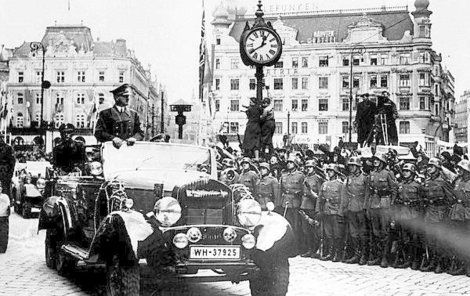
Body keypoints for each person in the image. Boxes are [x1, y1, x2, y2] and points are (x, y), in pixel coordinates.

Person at [420, 158, 456, 273]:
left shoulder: (443, 182)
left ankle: (441, 263)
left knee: (440, 240)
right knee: (430, 239)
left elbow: (451, 199)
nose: (429, 168)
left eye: (432, 166)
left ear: (437, 168)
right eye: (428, 166)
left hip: (441, 213)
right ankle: (432, 262)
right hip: (429, 213)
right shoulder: (427, 181)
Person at [368, 152, 398, 268]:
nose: (375, 161)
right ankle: (378, 256)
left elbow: (394, 190)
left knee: (385, 232)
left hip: (385, 204)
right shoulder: (372, 174)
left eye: (377, 160)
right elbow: (369, 191)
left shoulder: (388, 174)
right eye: (374, 160)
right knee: (375, 232)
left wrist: (391, 204)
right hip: (374, 204)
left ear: (383, 162)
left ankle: (385, 258)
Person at [393, 163, 423, 270]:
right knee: (403, 238)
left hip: (414, 214)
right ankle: (406, 259)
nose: (405, 173)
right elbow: (396, 201)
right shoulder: (400, 185)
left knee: (414, 238)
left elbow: (421, 202)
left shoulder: (417, 186)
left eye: (407, 171)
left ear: (413, 173)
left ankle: (415, 260)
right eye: (404, 171)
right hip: (403, 213)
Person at [94, 83, 144, 149]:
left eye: (128, 96)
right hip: (111, 150)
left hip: (130, 150)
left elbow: (140, 132)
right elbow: (98, 132)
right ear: (117, 97)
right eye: (124, 96)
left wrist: (134, 138)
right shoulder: (105, 113)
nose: (127, 98)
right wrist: (113, 138)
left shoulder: (133, 114)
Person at [343, 156, 370, 265]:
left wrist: (365, 207)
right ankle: (356, 254)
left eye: (353, 166)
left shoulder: (365, 178)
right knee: (353, 232)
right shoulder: (349, 178)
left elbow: (367, 194)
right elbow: (346, 193)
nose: (351, 167)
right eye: (350, 165)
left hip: (361, 207)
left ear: (358, 166)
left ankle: (364, 255)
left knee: (363, 232)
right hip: (351, 207)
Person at [317, 164, 346, 262]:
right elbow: (320, 199)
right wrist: (318, 210)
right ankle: (330, 253)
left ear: (336, 173)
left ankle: (337, 254)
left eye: (331, 171)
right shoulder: (324, 184)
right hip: (326, 211)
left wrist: (340, 212)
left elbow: (343, 200)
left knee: (337, 234)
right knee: (328, 234)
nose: (329, 172)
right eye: (328, 171)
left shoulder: (340, 184)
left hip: (335, 211)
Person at [447, 159, 470, 276]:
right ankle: (461, 265)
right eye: (459, 168)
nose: (459, 170)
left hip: (467, 213)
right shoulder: (457, 180)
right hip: (457, 213)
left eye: (461, 168)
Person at [279, 155, 305, 251]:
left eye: (291, 162)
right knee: (286, 225)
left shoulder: (300, 175)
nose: (289, 164)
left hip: (295, 202)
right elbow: (280, 189)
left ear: (295, 164)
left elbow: (303, 190)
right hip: (285, 202)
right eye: (288, 162)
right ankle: (287, 247)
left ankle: (296, 248)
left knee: (296, 226)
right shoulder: (284, 175)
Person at [300, 160, 323, 258]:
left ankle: (314, 250)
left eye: (310, 167)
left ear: (314, 168)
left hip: (312, 206)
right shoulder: (305, 178)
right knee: (305, 230)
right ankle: (309, 249)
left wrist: (311, 192)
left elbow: (319, 196)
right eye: (307, 167)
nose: (308, 169)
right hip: (304, 205)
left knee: (314, 229)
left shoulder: (317, 179)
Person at [0, 183, 9, 253]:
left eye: (0, 186)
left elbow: (8, 206)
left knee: (3, 233)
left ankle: (2, 248)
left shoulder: (5, 196)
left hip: (3, 217)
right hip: (3, 217)